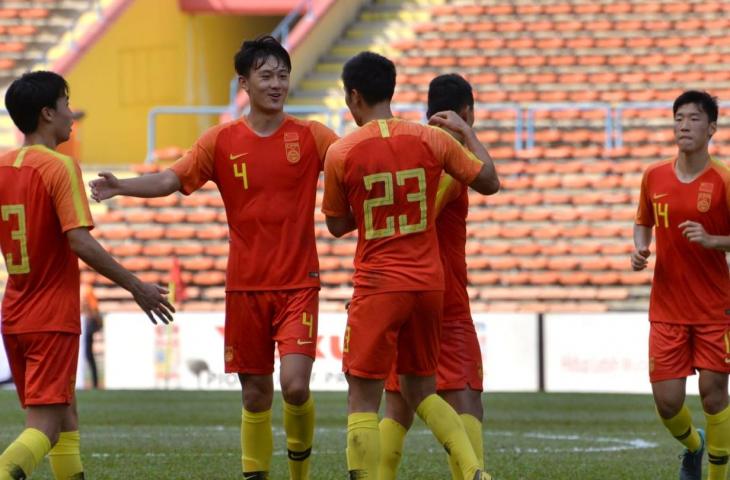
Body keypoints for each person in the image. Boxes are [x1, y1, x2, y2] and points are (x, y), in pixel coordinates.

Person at [89, 36, 338, 480]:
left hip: (299, 283)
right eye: (266, 75)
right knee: (255, 396)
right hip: (245, 287)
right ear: (244, 82)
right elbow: (171, 179)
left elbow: (353, 161)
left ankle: (301, 474)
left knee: (295, 387)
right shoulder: (221, 141)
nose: (277, 83)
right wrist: (121, 185)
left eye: (283, 74)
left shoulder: (312, 135)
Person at [321, 52, 499, 480]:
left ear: (353, 96)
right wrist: (465, 134)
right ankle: (473, 469)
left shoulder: (342, 151)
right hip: (430, 286)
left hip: (379, 284)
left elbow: (337, 224)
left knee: (364, 397)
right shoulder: (432, 142)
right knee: (419, 392)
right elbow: (490, 181)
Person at [0, 71, 173, 480]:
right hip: (50, 316)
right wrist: (137, 286)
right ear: (46, 113)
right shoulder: (60, 167)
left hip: (15, 312)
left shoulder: (4, 166)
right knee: (43, 426)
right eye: (65, 105)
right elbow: (79, 241)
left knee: (65, 415)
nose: (70, 115)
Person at [379, 73, 488, 479]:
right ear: (467, 112)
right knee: (466, 404)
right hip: (444, 297)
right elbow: (488, 178)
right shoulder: (449, 153)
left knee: (398, 406)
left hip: (397, 290)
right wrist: (465, 135)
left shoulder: (408, 149)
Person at [633, 90, 730, 480]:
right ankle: (694, 446)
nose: (684, 125)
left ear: (711, 128)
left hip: (714, 307)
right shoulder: (653, 176)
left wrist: (714, 241)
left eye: (693, 119)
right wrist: (640, 249)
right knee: (668, 402)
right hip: (668, 307)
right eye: (678, 118)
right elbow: (643, 222)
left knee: (712, 392)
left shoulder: (723, 180)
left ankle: (718, 476)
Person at [82, 282, 102, 389]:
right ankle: (94, 382)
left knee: (88, 354)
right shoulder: (86, 289)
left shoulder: (87, 289)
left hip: (87, 324)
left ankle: (94, 382)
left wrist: (97, 322)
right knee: (88, 354)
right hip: (84, 323)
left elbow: (94, 308)